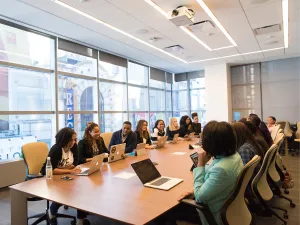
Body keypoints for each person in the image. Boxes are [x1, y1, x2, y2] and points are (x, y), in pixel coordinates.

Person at [178, 121, 243, 225]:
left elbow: (199, 197)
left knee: (169, 213)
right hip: (228, 207)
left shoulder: (221, 169)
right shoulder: (234, 156)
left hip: (212, 214)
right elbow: (212, 178)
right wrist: (193, 191)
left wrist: (200, 165)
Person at [40, 127, 89, 225]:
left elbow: (75, 162)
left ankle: (80, 220)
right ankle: (51, 212)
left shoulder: (74, 147)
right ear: (66, 140)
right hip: (51, 178)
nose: (75, 142)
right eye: (73, 139)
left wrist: (69, 169)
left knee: (82, 192)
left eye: (75, 139)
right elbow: (50, 170)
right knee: (64, 193)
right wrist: (68, 170)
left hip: (66, 176)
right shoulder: (56, 149)